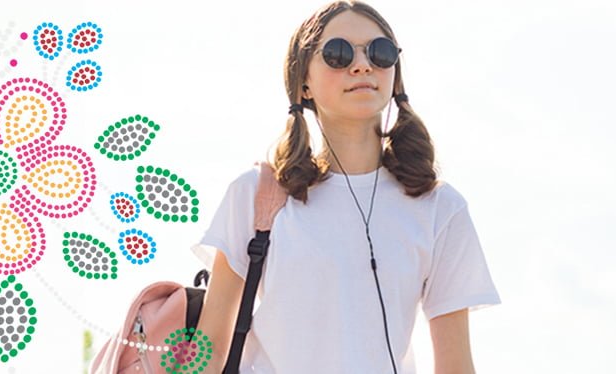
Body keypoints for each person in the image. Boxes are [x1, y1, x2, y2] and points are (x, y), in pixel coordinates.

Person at [191, 1, 501, 373]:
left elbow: (455, 365)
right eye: (338, 53)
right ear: (302, 80)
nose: (362, 65)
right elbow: (208, 352)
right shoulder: (256, 194)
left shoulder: (440, 208)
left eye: (380, 52)